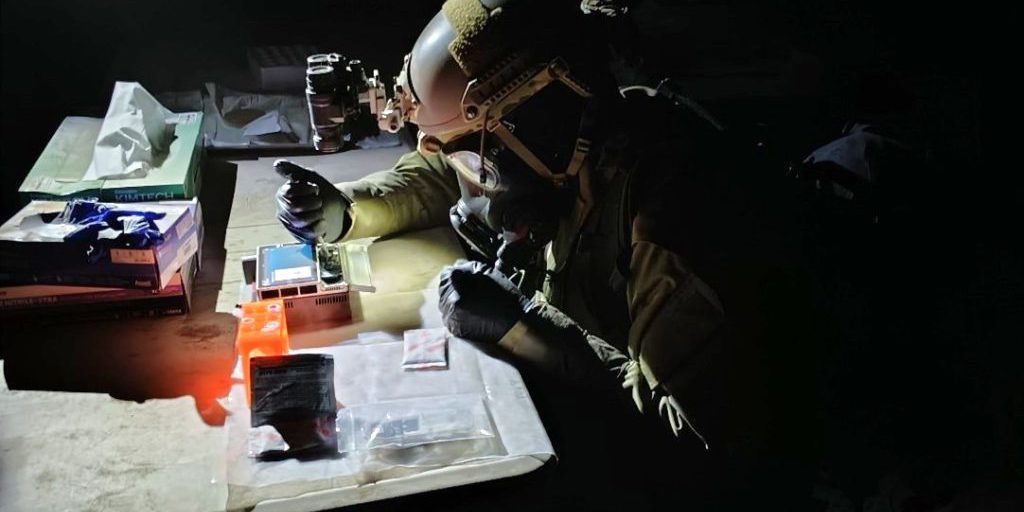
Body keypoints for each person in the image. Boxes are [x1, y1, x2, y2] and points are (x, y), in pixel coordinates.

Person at [276, 0, 818, 502]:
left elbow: (691, 433)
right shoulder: (566, 152)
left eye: (478, 160)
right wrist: (348, 209)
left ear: (533, 123)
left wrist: (524, 327)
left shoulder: (666, 213)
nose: (474, 184)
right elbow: (443, 168)